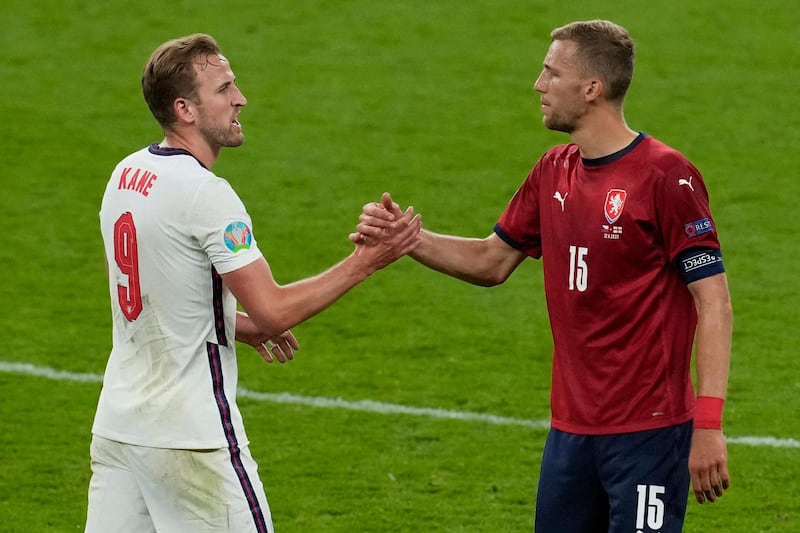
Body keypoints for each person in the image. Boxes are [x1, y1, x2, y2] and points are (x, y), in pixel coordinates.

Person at [355, 20, 732, 533]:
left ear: (592, 89)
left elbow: (713, 301)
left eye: (552, 73)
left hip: (649, 434)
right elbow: (492, 261)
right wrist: (408, 240)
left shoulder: (666, 176)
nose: (538, 84)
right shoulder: (553, 170)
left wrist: (707, 424)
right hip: (570, 436)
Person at [85, 33, 421, 533]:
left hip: (119, 429)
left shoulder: (126, 174)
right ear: (186, 109)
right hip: (190, 436)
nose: (240, 98)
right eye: (223, 89)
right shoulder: (206, 194)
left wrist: (233, 325)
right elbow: (273, 310)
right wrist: (367, 261)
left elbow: (158, 293)